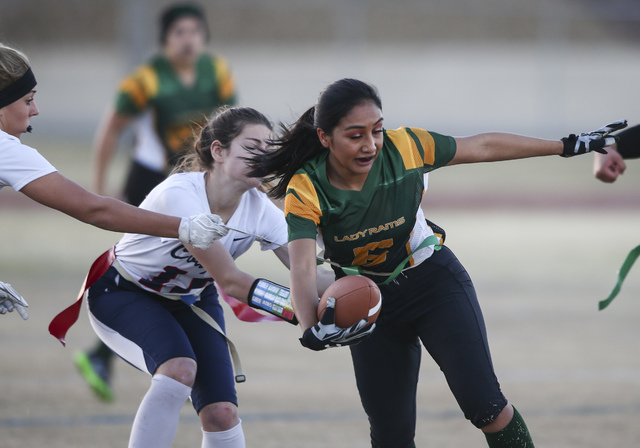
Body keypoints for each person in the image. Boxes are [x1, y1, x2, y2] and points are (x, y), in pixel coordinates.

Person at [248, 78, 623, 448]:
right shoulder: (306, 186)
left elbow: (483, 146)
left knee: (485, 404)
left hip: (432, 282)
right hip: (370, 304)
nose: (371, 144)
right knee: (390, 435)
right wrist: (310, 328)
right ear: (324, 137)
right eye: (355, 135)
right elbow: (302, 268)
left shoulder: (406, 147)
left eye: (377, 130)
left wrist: (566, 145)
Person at [67, 106, 333, 448]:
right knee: (178, 371)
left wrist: (359, 295)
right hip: (124, 291)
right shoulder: (180, 194)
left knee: (222, 412)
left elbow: (309, 272)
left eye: (268, 149)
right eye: (252, 147)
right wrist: (302, 313)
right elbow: (231, 280)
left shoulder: (261, 209)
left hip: (191, 300)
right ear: (218, 151)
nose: (263, 156)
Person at [79, 1, 238, 400]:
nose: (188, 40)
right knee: (153, 267)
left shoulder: (216, 72)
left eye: (195, 32)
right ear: (165, 40)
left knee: (182, 271)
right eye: (179, 33)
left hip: (199, 180)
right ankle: (115, 347)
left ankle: (103, 355)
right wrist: (100, 188)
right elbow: (109, 131)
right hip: (152, 182)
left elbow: (232, 126)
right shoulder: (146, 79)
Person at [0, 43, 226, 321]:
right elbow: (94, 209)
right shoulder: (5, 149)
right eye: (27, 100)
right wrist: (184, 227)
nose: (35, 110)